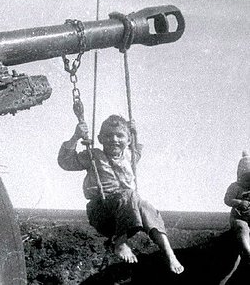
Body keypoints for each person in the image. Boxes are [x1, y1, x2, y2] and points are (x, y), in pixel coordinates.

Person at [57, 114, 184, 274]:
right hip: (103, 213)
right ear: (100, 138)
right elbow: (65, 162)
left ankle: (168, 253)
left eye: (120, 135)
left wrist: (134, 133)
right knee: (129, 194)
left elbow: (136, 149)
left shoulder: (129, 157)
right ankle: (120, 243)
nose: (114, 139)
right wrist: (76, 137)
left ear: (128, 140)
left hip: (126, 214)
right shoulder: (93, 156)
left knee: (145, 206)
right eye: (109, 135)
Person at [224, 151, 250, 262]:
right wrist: (239, 202)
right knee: (242, 228)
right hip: (239, 218)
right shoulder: (235, 187)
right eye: (246, 178)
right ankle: (248, 252)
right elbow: (227, 200)